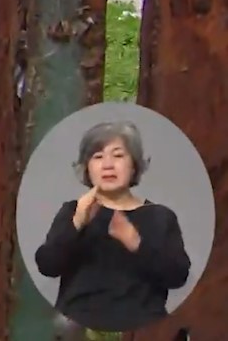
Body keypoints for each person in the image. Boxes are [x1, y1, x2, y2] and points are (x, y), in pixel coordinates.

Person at [34, 120, 191, 332]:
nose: (108, 164)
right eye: (98, 157)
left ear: (134, 164)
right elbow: (48, 265)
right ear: (87, 168)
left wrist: (134, 241)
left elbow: (177, 275)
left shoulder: (159, 216)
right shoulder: (74, 211)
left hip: (140, 322)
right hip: (79, 324)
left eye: (118, 155)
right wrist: (77, 223)